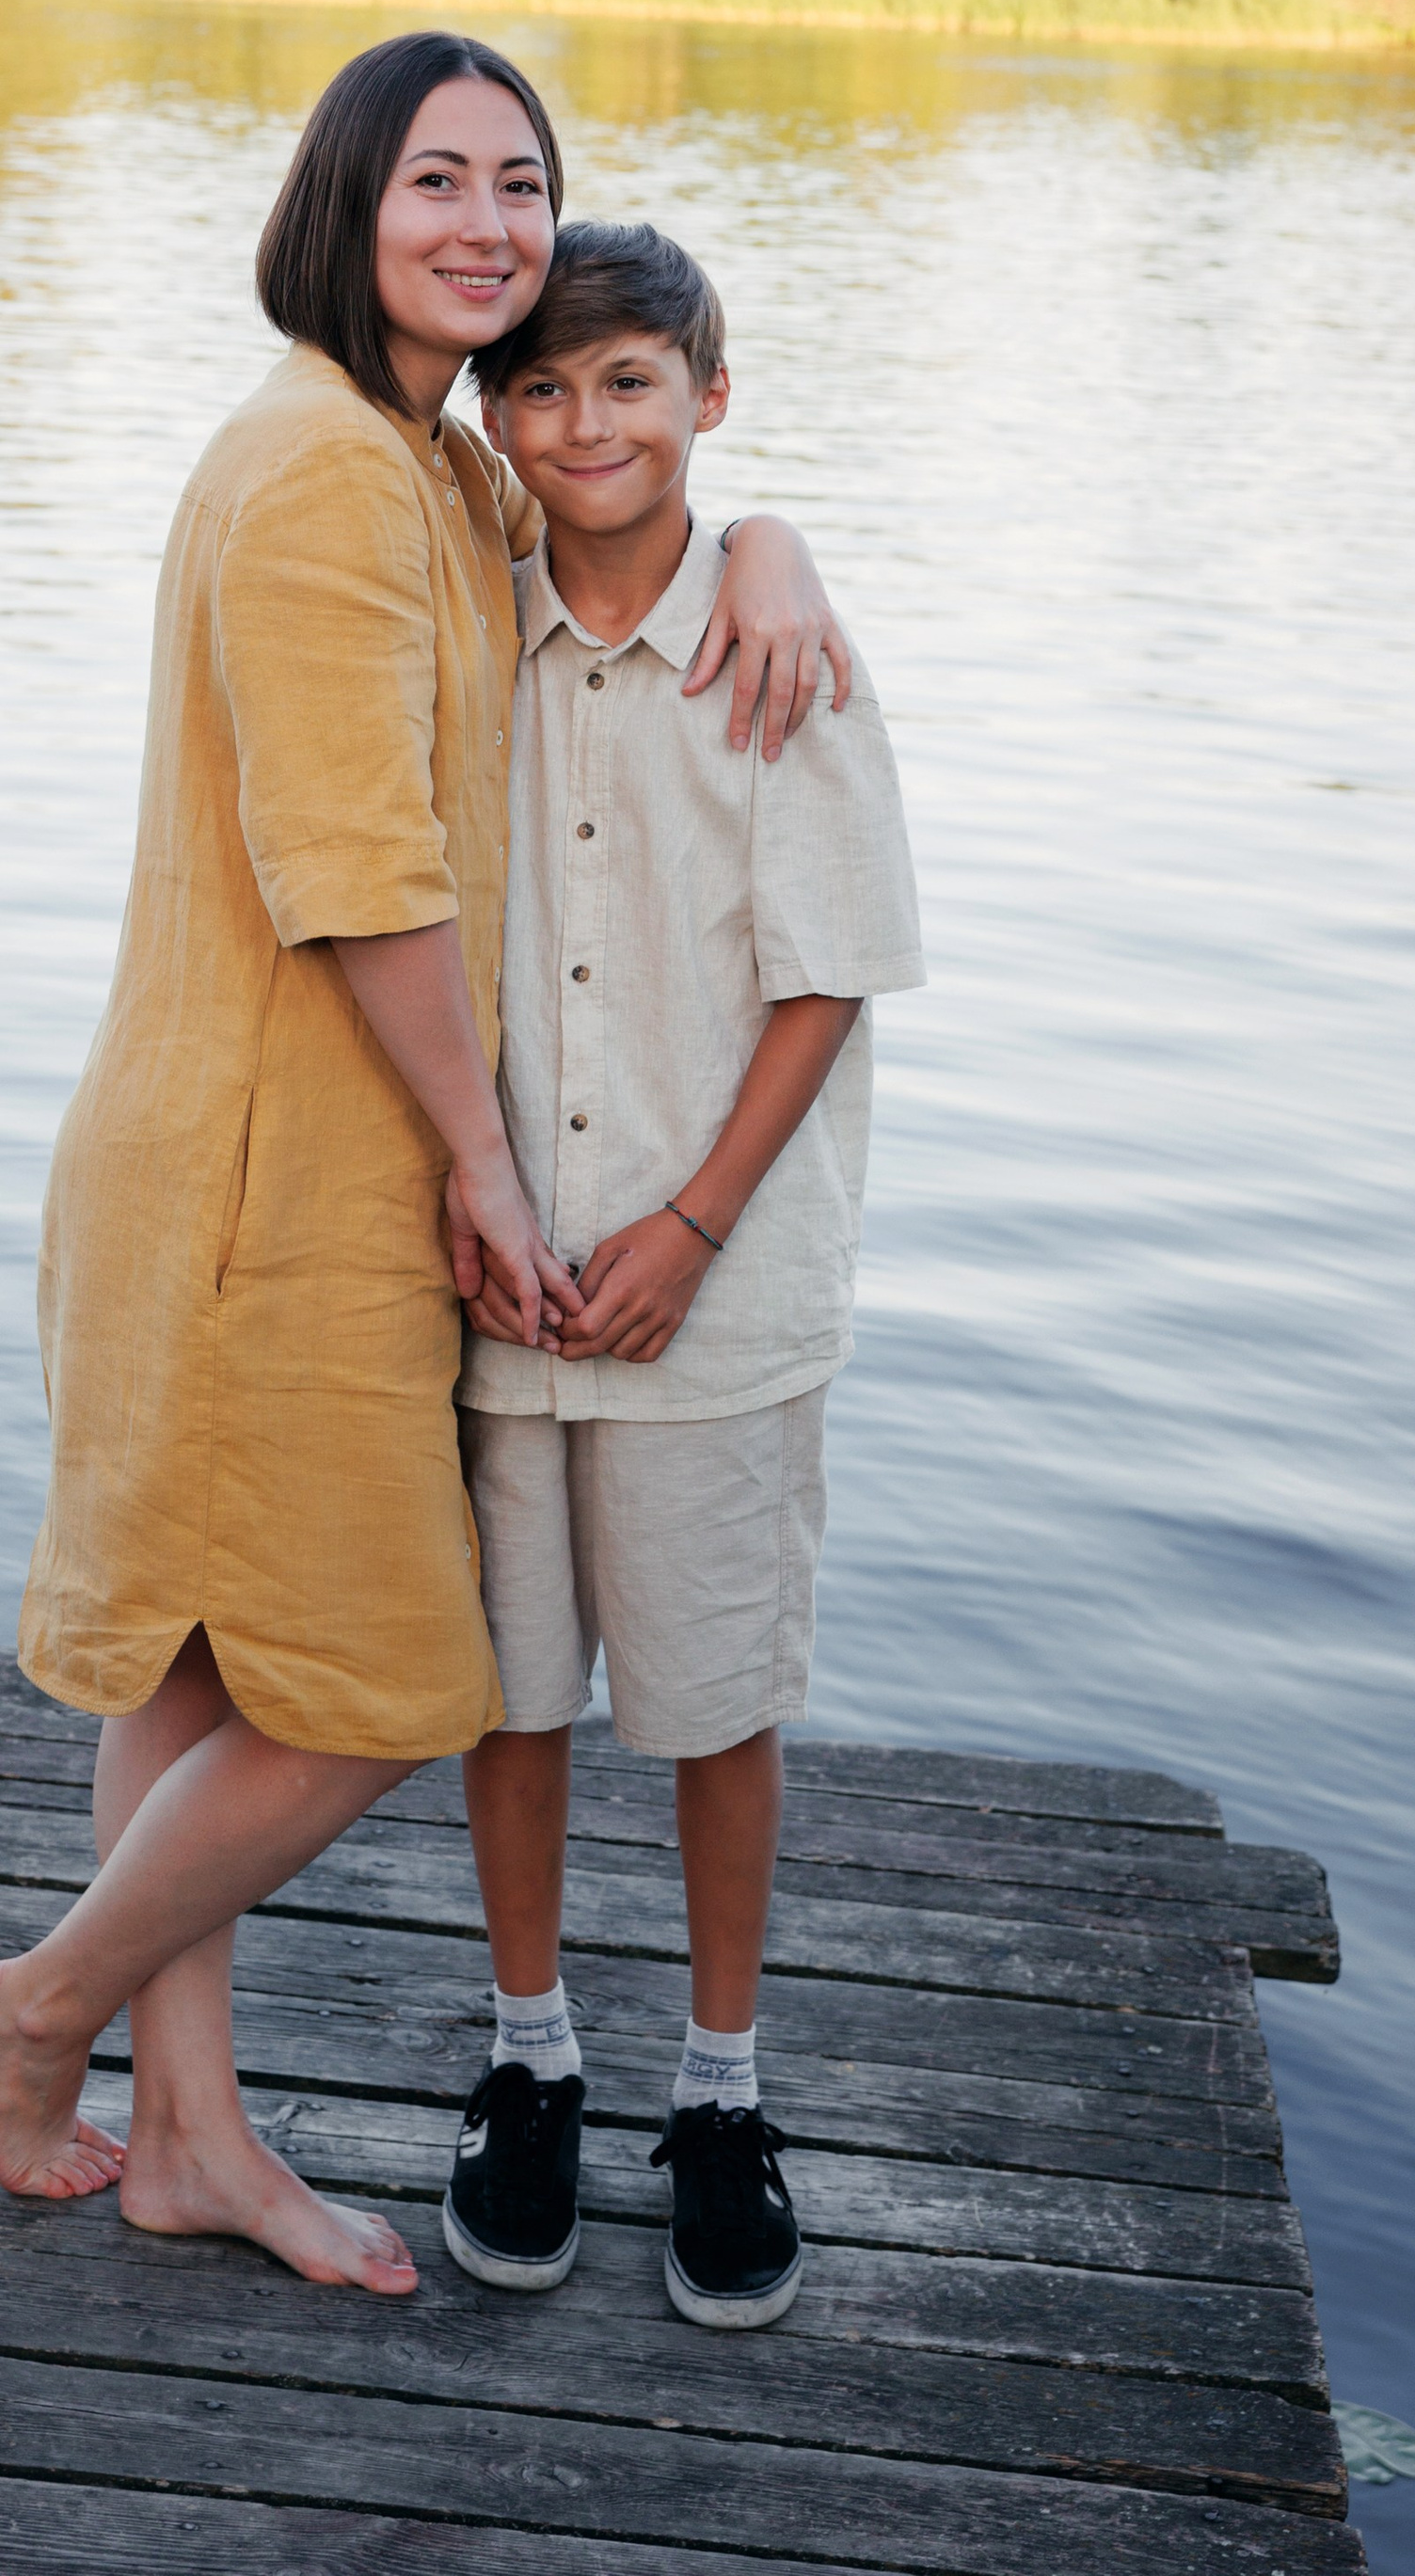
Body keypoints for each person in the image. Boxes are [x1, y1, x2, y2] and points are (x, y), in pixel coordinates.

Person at [0, 36, 850, 2297]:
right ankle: (39, 2011)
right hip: (265, 1182)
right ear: (344, 201)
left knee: (193, 1676)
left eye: (518, 182)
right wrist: (484, 1162)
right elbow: (353, 872)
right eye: (434, 179)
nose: (484, 223)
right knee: (387, 1686)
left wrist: (767, 536)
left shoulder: (424, 460)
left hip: (262, 1157)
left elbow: (617, 522)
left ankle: (188, 2137)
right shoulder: (328, 478)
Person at [443, 217, 922, 2330]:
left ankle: (720, 2089)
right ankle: (529, 2055)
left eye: (629, 382)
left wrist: (694, 1222)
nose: (585, 424)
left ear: (708, 398)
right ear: (494, 417)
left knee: (717, 1703)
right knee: (511, 1691)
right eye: (541, 387)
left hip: (712, 1277)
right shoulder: (466, 624)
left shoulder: (777, 646)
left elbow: (827, 977)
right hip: (503, 1274)